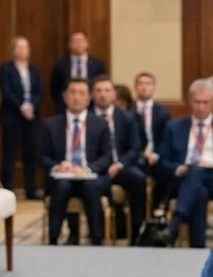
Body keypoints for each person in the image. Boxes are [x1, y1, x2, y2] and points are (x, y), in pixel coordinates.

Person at [159, 78, 213, 249]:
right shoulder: (174, 127)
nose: (200, 107)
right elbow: (163, 161)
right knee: (199, 191)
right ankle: (198, 249)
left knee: (198, 172)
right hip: (184, 180)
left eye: (205, 102)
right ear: (190, 101)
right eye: (197, 102)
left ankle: (175, 225)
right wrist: (179, 169)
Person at [41, 78, 112, 246]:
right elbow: (42, 156)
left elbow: (107, 156)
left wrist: (87, 169)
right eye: (72, 93)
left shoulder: (100, 124)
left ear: (89, 98)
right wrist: (58, 166)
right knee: (61, 186)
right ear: (65, 97)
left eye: (81, 93)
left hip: (89, 175)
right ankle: (53, 239)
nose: (76, 97)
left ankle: (97, 239)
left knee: (91, 187)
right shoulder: (51, 124)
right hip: (63, 176)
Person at [92, 75, 147, 245]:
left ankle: (137, 231)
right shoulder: (86, 117)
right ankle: (93, 234)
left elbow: (135, 148)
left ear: (113, 94)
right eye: (98, 91)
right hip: (95, 168)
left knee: (138, 178)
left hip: (121, 167)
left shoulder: (127, 118)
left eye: (107, 90)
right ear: (92, 95)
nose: (103, 95)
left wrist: (119, 164)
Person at [0, 35, 43, 198]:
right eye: (19, 47)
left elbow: (39, 92)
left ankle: (31, 189)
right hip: (13, 116)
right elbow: (7, 92)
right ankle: (8, 189)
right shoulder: (6, 69)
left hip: (31, 117)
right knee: (10, 154)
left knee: (31, 153)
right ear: (13, 50)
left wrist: (32, 106)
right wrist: (21, 107)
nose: (23, 50)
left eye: (25, 47)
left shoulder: (34, 70)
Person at [49, 31, 107, 114]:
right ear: (69, 45)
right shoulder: (61, 65)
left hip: (92, 107)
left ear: (87, 44)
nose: (78, 44)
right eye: (75, 41)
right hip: (66, 108)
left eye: (81, 41)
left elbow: (102, 84)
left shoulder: (97, 64)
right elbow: (54, 88)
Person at [134, 72, 171, 173]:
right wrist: (142, 153)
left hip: (157, 156)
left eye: (148, 84)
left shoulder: (163, 112)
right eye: (141, 84)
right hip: (136, 156)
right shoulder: (128, 111)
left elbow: (166, 138)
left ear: (153, 87)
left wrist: (155, 155)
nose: (144, 87)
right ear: (135, 87)